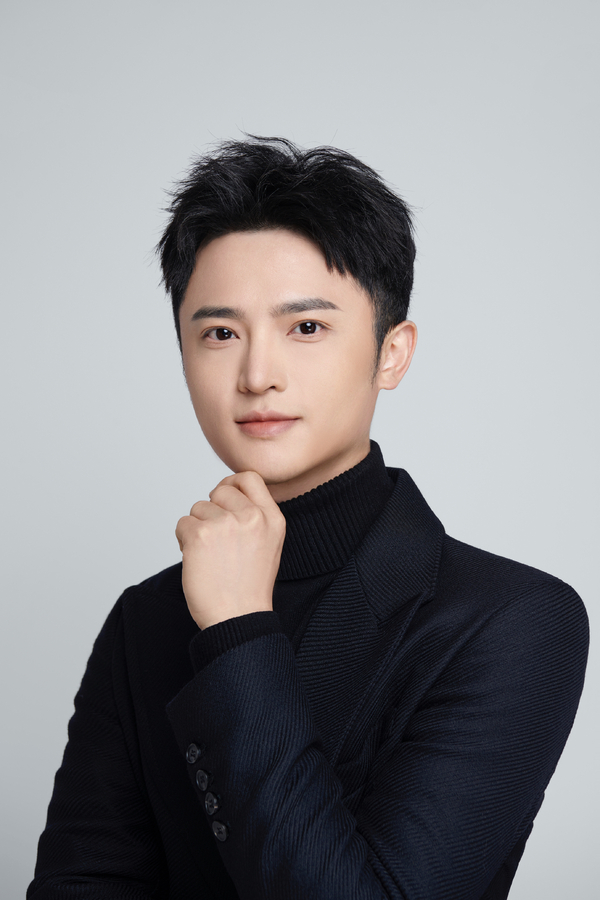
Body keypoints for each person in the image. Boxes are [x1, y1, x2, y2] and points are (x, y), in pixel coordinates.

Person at [28, 137, 589, 900]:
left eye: (306, 328)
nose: (257, 375)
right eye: (220, 333)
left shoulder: (514, 620)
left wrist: (238, 633)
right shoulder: (145, 620)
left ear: (392, 353)